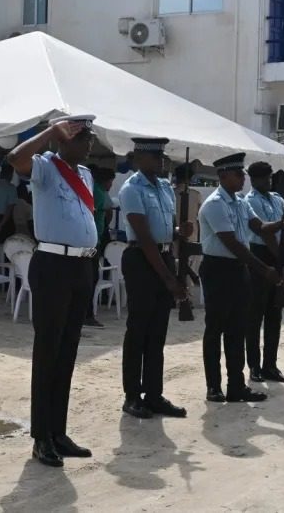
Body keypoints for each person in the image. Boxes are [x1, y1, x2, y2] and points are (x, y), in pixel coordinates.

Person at [7, 114, 98, 469]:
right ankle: (41, 437)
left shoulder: (85, 174)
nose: (90, 145)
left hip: (81, 265)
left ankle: (58, 432)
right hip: (52, 264)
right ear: (64, 139)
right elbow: (15, 159)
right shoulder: (46, 166)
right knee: (48, 351)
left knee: (68, 351)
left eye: (90, 138)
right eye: (84, 138)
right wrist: (48, 131)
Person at [197, 153, 280, 404]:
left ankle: (236, 386)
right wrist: (264, 269)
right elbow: (232, 244)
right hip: (218, 269)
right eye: (238, 174)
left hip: (238, 270)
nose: (243, 178)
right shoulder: (215, 204)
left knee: (237, 329)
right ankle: (214, 387)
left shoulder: (241, 202)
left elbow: (259, 227)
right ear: (224, 176)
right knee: (215, 329)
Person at [118, 138, 190, 420]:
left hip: (163, 255)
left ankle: (154, 394)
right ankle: (132, 396)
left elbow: (164, 230)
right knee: (138, 331)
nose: (160, 160)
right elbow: (145, 236)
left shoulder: (164, 188)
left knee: (158, 332)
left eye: (161, 155)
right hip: (141, 259)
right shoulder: (131, 189)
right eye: (154, 156)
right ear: (138, 159)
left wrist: (179, 232)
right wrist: (169, 279)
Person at [244, 161, 284, 384]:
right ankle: (254, 366)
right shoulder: (250, 201)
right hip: (261, 255)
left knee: (274, 314)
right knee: (255, 315)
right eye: (265, 178)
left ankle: (270, 365)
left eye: (270, 177)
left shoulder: (278, 199)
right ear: (254, 179)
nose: (269, 181)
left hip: (278, 254)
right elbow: (265, 232)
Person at [85, 167, 116, 328]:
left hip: (94, 239)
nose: (111, 185)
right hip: (93, 241)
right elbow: (103, 212)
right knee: (91, 279)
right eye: (111, 182)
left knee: (91, 278)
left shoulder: (95, 190)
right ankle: (87, 314)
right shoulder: (98, 192)